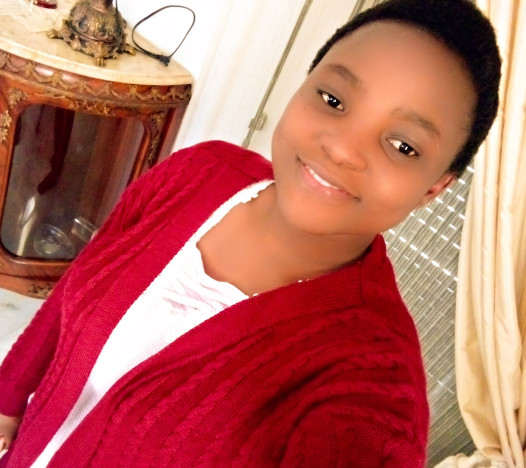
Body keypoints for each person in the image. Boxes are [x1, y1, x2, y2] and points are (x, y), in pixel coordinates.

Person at [0, 0, 501, 466]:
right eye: (333, 99)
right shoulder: (198, 171)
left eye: (403, 146)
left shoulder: (371, 387)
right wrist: (8, 399)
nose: (343, 148)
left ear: (434, 187)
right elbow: (79, 283)